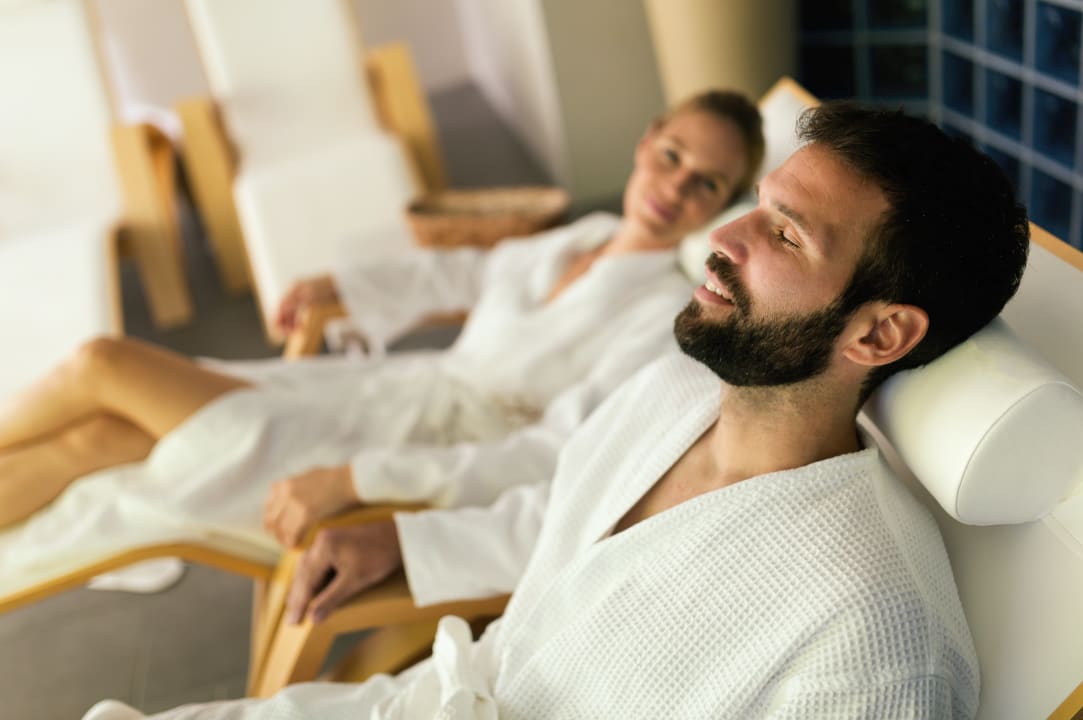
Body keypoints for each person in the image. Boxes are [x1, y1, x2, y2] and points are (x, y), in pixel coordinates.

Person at [84, 100, 1028, 718]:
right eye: (756, 203)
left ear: (879, 334)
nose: (721, 237)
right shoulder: (674, 389)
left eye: (782, 234)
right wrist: (404, 541)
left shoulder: (871, 630)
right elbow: (562, 514)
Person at [0, 90, 763, 593]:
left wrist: (358, 478)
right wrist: (338, 285)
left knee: (103, 364)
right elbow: (468, 271)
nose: (674, 187)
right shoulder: (584, 236)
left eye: (704, 183)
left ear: (721, 205)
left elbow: (558, 454)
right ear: (645, 141)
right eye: (672, 155)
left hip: (398, 450)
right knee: (101, 436)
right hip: (372, 396)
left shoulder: (659, 315)